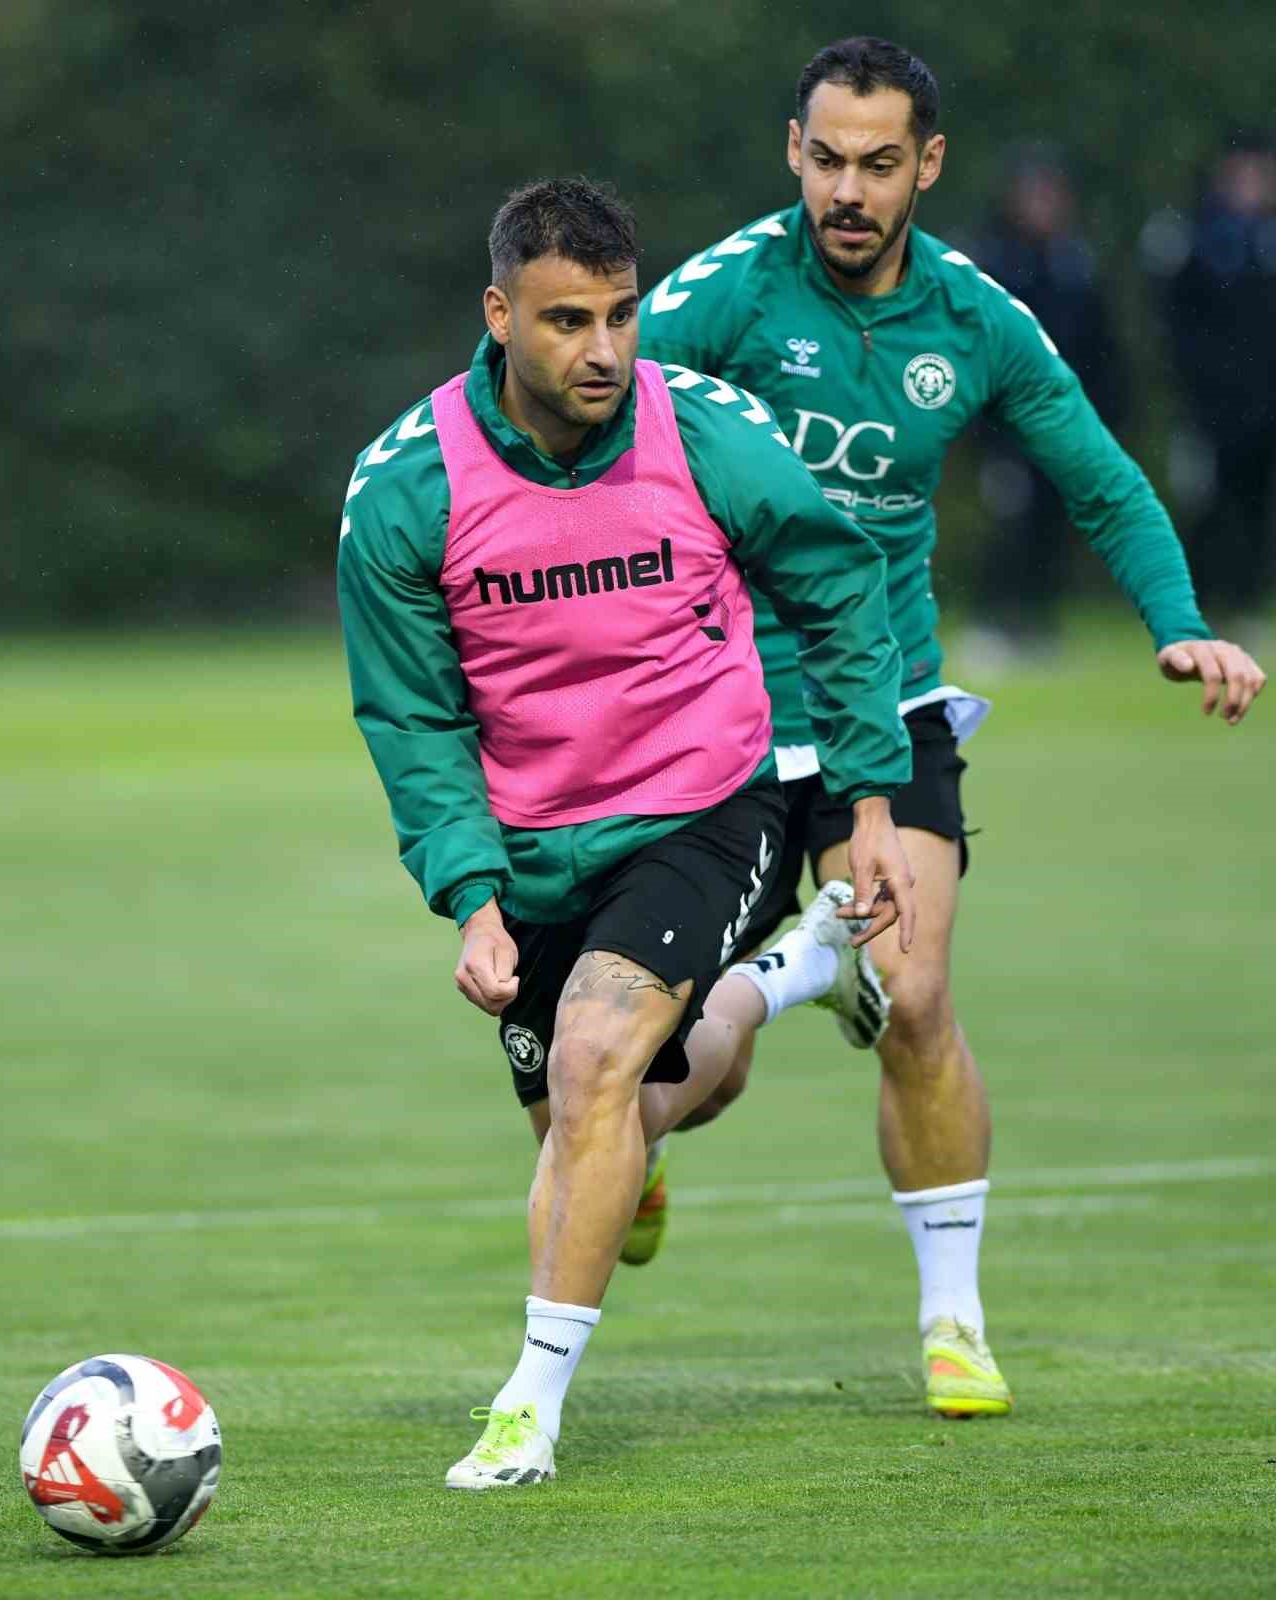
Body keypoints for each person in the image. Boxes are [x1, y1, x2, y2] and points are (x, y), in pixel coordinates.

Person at [634, 36, 1266, 1420]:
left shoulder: (977, 319)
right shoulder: (720, 295)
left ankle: (954, 1323)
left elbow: (1099, 476)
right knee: (684, 1057)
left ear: (926, 165)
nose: (847, 191)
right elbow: (586, 425)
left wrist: (1176, 619)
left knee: (914, 993)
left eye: (878, 164)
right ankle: (649, 1139)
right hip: (720, 714)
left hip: (891, 703)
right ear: (791, 151)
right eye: (825, 159)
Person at [337, 177, 916, 1488]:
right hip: (536, 845)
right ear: (499, 316)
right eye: (566, 321)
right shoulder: (407, 486)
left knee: (598, 1057)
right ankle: (791, 975)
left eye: (621, 314)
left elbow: (837, 586)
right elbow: (415, 720)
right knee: (615, 1112)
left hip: (708, 802)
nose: (602, 349)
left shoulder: (704, 429)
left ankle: (526, 1412)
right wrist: (471, 897)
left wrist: (867, 798)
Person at [963, 147, 1130, 662]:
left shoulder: (1075, 265)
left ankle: (1039, 623)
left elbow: (1100, 350)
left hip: (1061, 423)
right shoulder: (992, 265)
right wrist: (983, 432)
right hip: (1007, 426)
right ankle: (995, 621)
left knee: (1051, 527)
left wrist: (1105, 415)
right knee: (1010, 521)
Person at [1142, 130, 1276, 621]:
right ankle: (1193, 604)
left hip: (1264, 403)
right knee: (1204, 506)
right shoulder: (1193, 240)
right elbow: (1175, 326)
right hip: (1208, 407)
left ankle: (1245, 602)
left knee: (1254, 505)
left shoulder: (1266, 241)